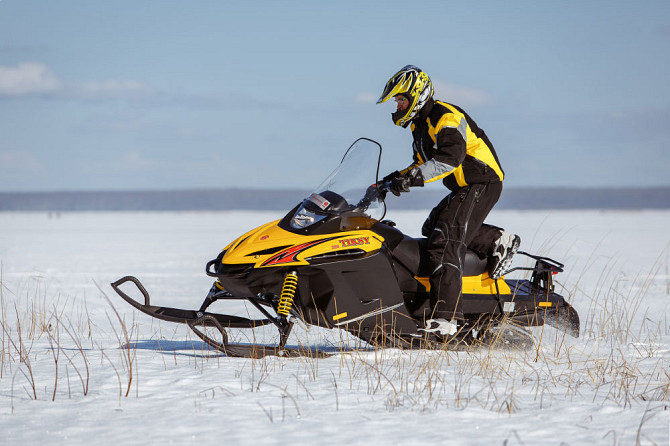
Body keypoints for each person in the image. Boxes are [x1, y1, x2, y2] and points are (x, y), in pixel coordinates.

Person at [377, 65, 520, 338]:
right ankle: (494, 239)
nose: (398, 105)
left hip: (481, 182)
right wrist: (392, 180)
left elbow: (448, 159)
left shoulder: (445, 117)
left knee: (444, 243)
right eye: (396, 101)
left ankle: (447, 318)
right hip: (465, 186)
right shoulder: (421, 126)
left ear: (417, 95)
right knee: (433, 228)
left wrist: (412, 179)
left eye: (401, 99)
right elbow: (422, 162)